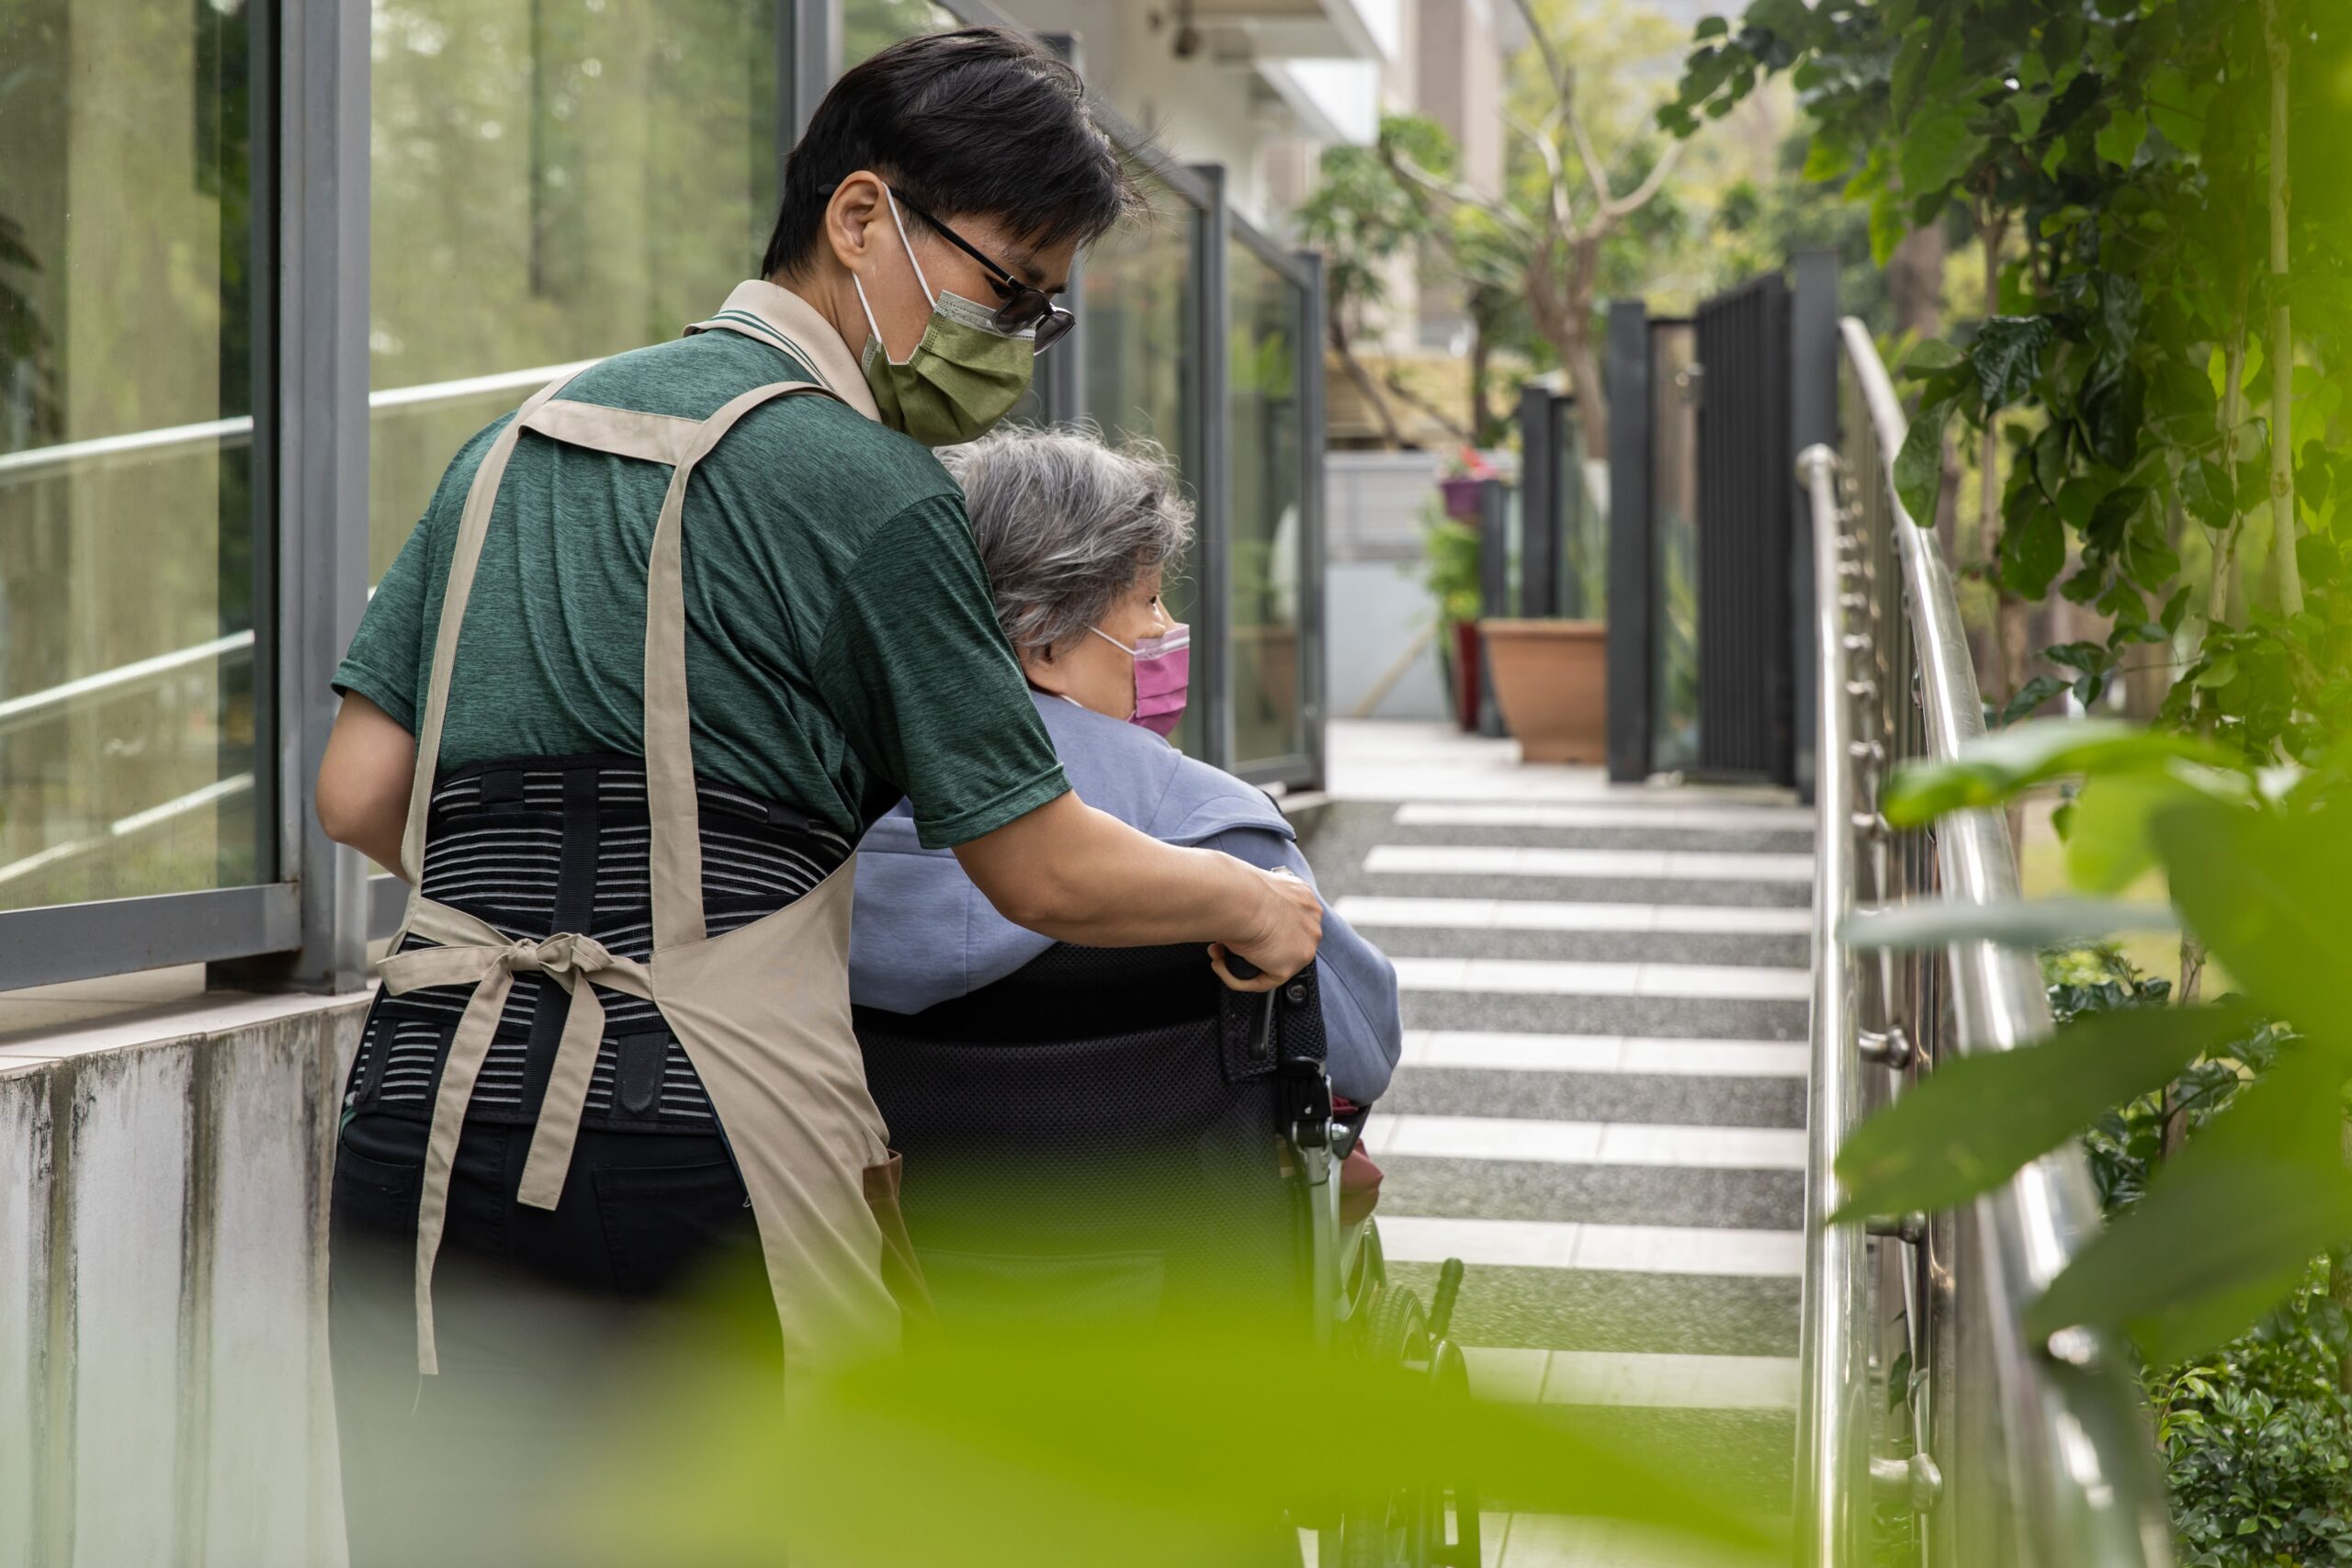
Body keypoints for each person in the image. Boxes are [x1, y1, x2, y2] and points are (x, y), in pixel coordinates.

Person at [311, 28, 1320, 1566]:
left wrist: (560, 898)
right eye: (1011, 287)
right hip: (689, 1133)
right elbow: (1038, 866)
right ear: (863, 219)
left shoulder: (510, 444)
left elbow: (357, 786)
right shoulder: (869, 491)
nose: (1020, 333)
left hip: (420, 1116)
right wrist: (1256, 899)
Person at [851, 428, 1401, 1175]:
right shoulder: (1216, 828)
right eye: (1145, 597)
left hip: (898, 1252)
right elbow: (1362, 1053)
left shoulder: (818, 827)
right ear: (1044, 642)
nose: (1168, 626)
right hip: (1181, 1255)